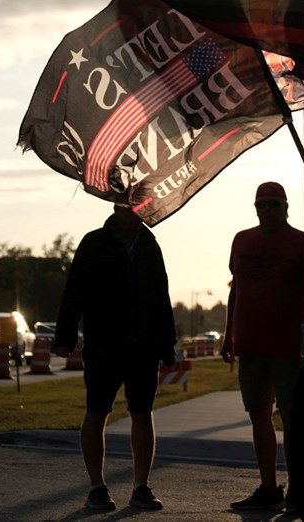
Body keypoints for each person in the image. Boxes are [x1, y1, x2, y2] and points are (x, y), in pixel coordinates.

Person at [54, 203, 178, 512]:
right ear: (115, 206)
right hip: (103, 345)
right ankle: (97, 487)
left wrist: (167, 345)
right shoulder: (94, 242)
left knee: (142, 412)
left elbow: (161, 295)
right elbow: (74, 290)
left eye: (139, 205)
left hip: (143, 345)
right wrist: (65, 336)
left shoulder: (149, 244)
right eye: (127, 205)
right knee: (97, 410)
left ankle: (141, 487)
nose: (133, 211)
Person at [221, 181, 304, 513]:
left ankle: (301, 489)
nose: (266, 210)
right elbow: (236, 290)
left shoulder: (302, 242)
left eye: (273, 205)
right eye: (261, 205)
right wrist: (228, 335)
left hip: (289, 345)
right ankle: (269, 488)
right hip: (250, 345)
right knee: (259, 416)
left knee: (293, 418)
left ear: (285, 207)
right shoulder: (242, 239)